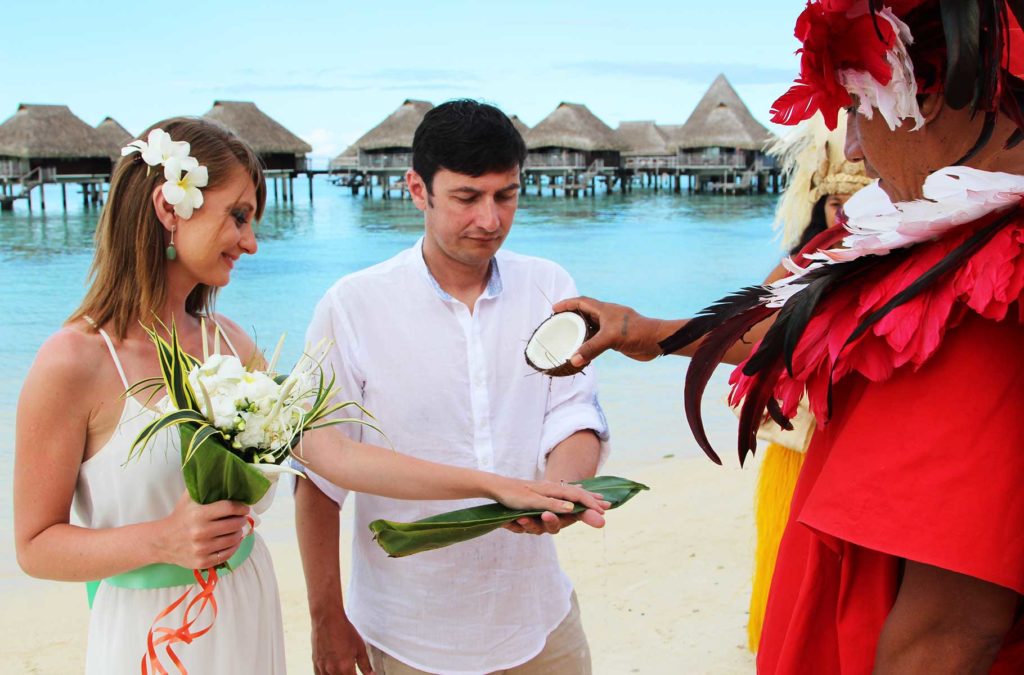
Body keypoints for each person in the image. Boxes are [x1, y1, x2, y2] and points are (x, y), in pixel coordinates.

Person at [12, 117, 607, 675]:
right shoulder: (72, 361)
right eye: (239, 217)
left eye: (252, 220)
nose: (251, 243)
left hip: (248, 608)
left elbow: (331, 457)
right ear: (171, 207)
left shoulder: (233, 345)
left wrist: (492, 485)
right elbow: (35, 547)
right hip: (149, 630)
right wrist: (161, 540)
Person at [556, 1, 1024, 672]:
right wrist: (645, 331)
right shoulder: (915, 230)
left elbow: (946, 633)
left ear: (944, 97)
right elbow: (790, 320)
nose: (854, 148)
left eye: (861, 111)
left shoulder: (988, 292)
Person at [295, 99, 610, 675]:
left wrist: (561, 490)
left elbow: (575, 414)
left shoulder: (550, 286)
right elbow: (319, 479)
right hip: (406, 630)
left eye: (506, 195)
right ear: (419, 190)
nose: (489, 220)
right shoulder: (353, 304)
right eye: (467, 198)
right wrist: (325, 615)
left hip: (538, 620)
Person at [744, 112, 871, 653]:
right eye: (838, 204)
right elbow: (748, 332)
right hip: (800, 446)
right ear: (820, 203)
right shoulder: (798, 265)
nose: (849, 216)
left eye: (862, 201)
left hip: (860, 449)